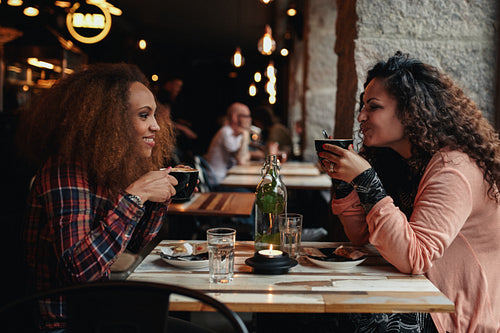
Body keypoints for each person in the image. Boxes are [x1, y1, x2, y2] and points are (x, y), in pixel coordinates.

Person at [319, 52, 500, 332]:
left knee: (339, 316)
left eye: (373, 106)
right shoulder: (397, 160)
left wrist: (365, 179)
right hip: (417, 293)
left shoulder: (453, 167)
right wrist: (345, 183)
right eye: (363, 105)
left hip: (452, 314)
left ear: (410, 112)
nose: (361, 116)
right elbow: (362, 236)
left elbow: (415, 257)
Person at [17, 63, 179, 331]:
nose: (156, 126)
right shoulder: (65, 172)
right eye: (143, 115)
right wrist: (136, 195)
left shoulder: (104, 166)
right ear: (109, 121)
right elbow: (81, 272)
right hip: (67, 324)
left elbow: (134, 244)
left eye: (154, 115)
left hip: (98, 312)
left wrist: (158, 198)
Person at [204, 102, 256, 186]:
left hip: (228, 178)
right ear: (234, 117)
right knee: (251, 193)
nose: (250, 119)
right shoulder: (226, 132)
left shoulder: (238, 134)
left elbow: (246, 156)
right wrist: (246, 135)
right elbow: (242, 160)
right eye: (246, 116)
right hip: (218, 182)